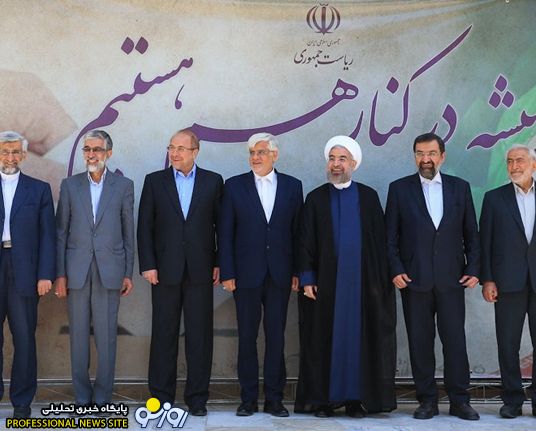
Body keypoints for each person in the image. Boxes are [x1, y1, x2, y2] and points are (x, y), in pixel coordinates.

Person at [295, 135, 396, 418]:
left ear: (353, 164)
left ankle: (355, 399)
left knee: (359, 342)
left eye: (342, 159)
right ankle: (324, 401)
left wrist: (378, 284)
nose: (336, 164)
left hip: (361, 287)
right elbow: (305, 242)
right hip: (325, 286)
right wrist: (307, 278)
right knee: (322, 341)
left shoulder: (368, 197)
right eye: (332, 159)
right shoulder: (315, 198)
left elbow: (379, 243)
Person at [385, 132, 480, 420]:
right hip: (414, 281)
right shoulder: (399, 189)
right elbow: (389, 237)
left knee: (455, 342)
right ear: (414, 156)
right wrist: (396, 269)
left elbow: (471, 234)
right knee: (420, 343)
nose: (425, 159)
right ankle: (427, 400)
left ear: (442, 156)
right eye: (420, 153)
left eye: (431, 153)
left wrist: (473, 269)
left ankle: (460, 400)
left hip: (452, 280)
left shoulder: (460, 188)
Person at [137, 129, 223, 416]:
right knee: (164, 335)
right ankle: (161, 397)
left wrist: (219, 262)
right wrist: (148, 264)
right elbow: (144, 226)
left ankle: (197, 399)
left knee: (200, 337)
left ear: (195, 152)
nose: (174, 153)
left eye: (180, 148)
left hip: (201, 271)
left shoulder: (213, 181)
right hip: (164, 271)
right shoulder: (154, 181)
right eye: (171, 147)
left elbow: (221, 226)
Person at [218, 132, 302, 417]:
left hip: (280, 274)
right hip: (245, 275)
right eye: (252, 153)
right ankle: (248, 399)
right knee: (247, 338)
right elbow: (225, 233)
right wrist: (228, 272)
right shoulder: (234, 186)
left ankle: (275, 399)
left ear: (274, 155)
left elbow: (298, 233)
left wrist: (297, 271)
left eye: (261, 152)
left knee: (276, 337)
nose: (255, 157)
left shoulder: (293, 186)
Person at [55, 130, 134, 408]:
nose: (91, 154)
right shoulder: (70, 185)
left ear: (108, 153)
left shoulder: (123, 186)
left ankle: (102, 398)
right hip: (76, 271)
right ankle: (81, 397)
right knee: (78, 337)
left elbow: (128, 232)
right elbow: (60, 233)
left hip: (110, 271)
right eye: (87, 149)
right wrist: (60, 274)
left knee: (107, 337)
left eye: (97, 149)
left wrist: (128, 272)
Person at [0, 131, 55, 418]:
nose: (10, 157)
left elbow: (48, 236)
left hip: (25, 269)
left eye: (15, 152)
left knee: (23, 337)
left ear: (23, 155)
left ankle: (21, 402)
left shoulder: (39, 189)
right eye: (4, 151)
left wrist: (45, 274)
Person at [480, 144, 536, 419]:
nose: (515, 166)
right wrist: (487, 279)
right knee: (507, 344)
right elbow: (485, 242)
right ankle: (512, 400)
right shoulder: (494, 198)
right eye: (510, 161)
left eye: (520, 160)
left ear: (533, 165)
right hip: (507, 282)